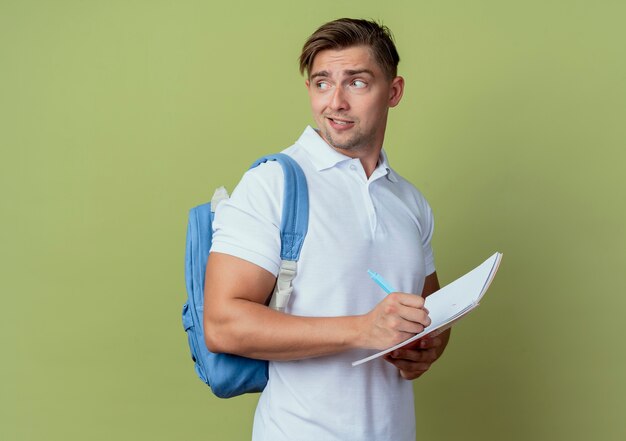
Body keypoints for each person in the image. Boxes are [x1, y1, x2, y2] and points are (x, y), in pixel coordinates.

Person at [204, 18, 451, 441]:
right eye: (322, 83)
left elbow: (432, 310)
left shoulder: (409, 201)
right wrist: (362, 329)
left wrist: (427, 347)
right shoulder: (274, 184)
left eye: (356, 83)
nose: (334, 101)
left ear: (393, 92)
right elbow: (223, 324)